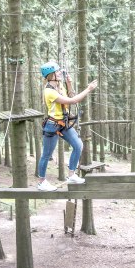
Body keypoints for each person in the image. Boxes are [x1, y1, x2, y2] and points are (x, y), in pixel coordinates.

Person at [36, 61, 98, 191]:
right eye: (57, 72)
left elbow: (71, 96)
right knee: (46, 155)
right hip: (53, 125)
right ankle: (41, 182)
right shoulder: (49, 91)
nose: (59, 73)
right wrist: (88, 89)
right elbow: (73, 101)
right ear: (50, 75)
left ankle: (71, 175)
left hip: (63, 123)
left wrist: (69, 84)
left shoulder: (59, 86)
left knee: (78, 145)